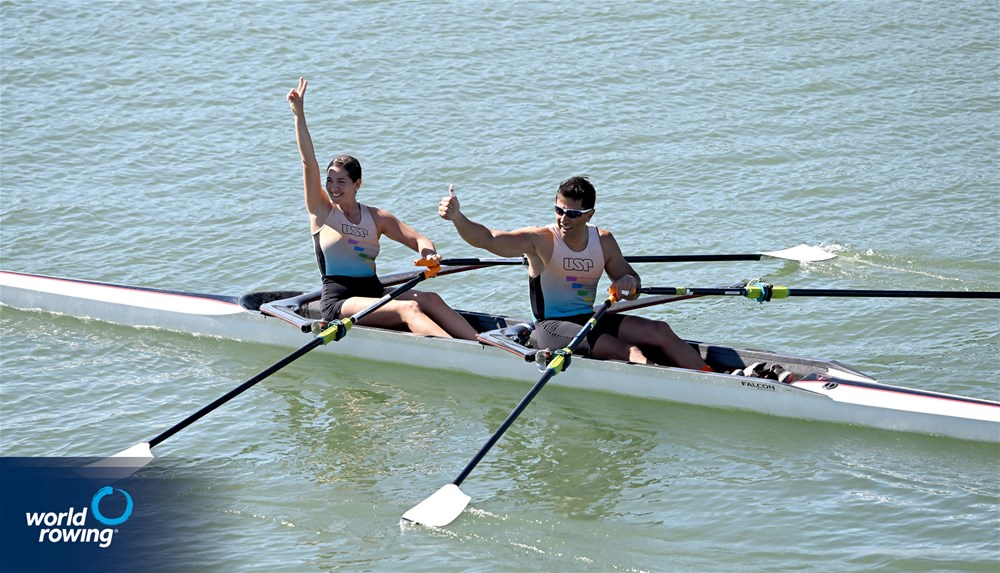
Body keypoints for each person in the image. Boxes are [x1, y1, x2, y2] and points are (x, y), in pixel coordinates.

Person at [437, 176, 711, 370]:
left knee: (660, 330)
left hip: (588, 317)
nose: (564, 219)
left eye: (573, 213)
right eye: (559, 210)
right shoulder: (540, 240)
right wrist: (458, 218)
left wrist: (628, 282)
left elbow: (630, 285)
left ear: (590, 214)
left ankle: (715, 377)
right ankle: (663, 382)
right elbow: (489, 239)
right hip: (550, 327)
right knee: (628, 351)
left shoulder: (603, 240)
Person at [287, 77, 477, 340]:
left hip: (374, 293)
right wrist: (299, 115)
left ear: (357, 184)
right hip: (340, 301)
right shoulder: (321, 211)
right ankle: (460, 355)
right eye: (330, 181)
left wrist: (429, 254)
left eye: (341, 181)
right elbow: (309, 163)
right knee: (409, 308)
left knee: (431, 299)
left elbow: (419, 239)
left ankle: (480, 346)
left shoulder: (376, 218)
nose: (333, 187)